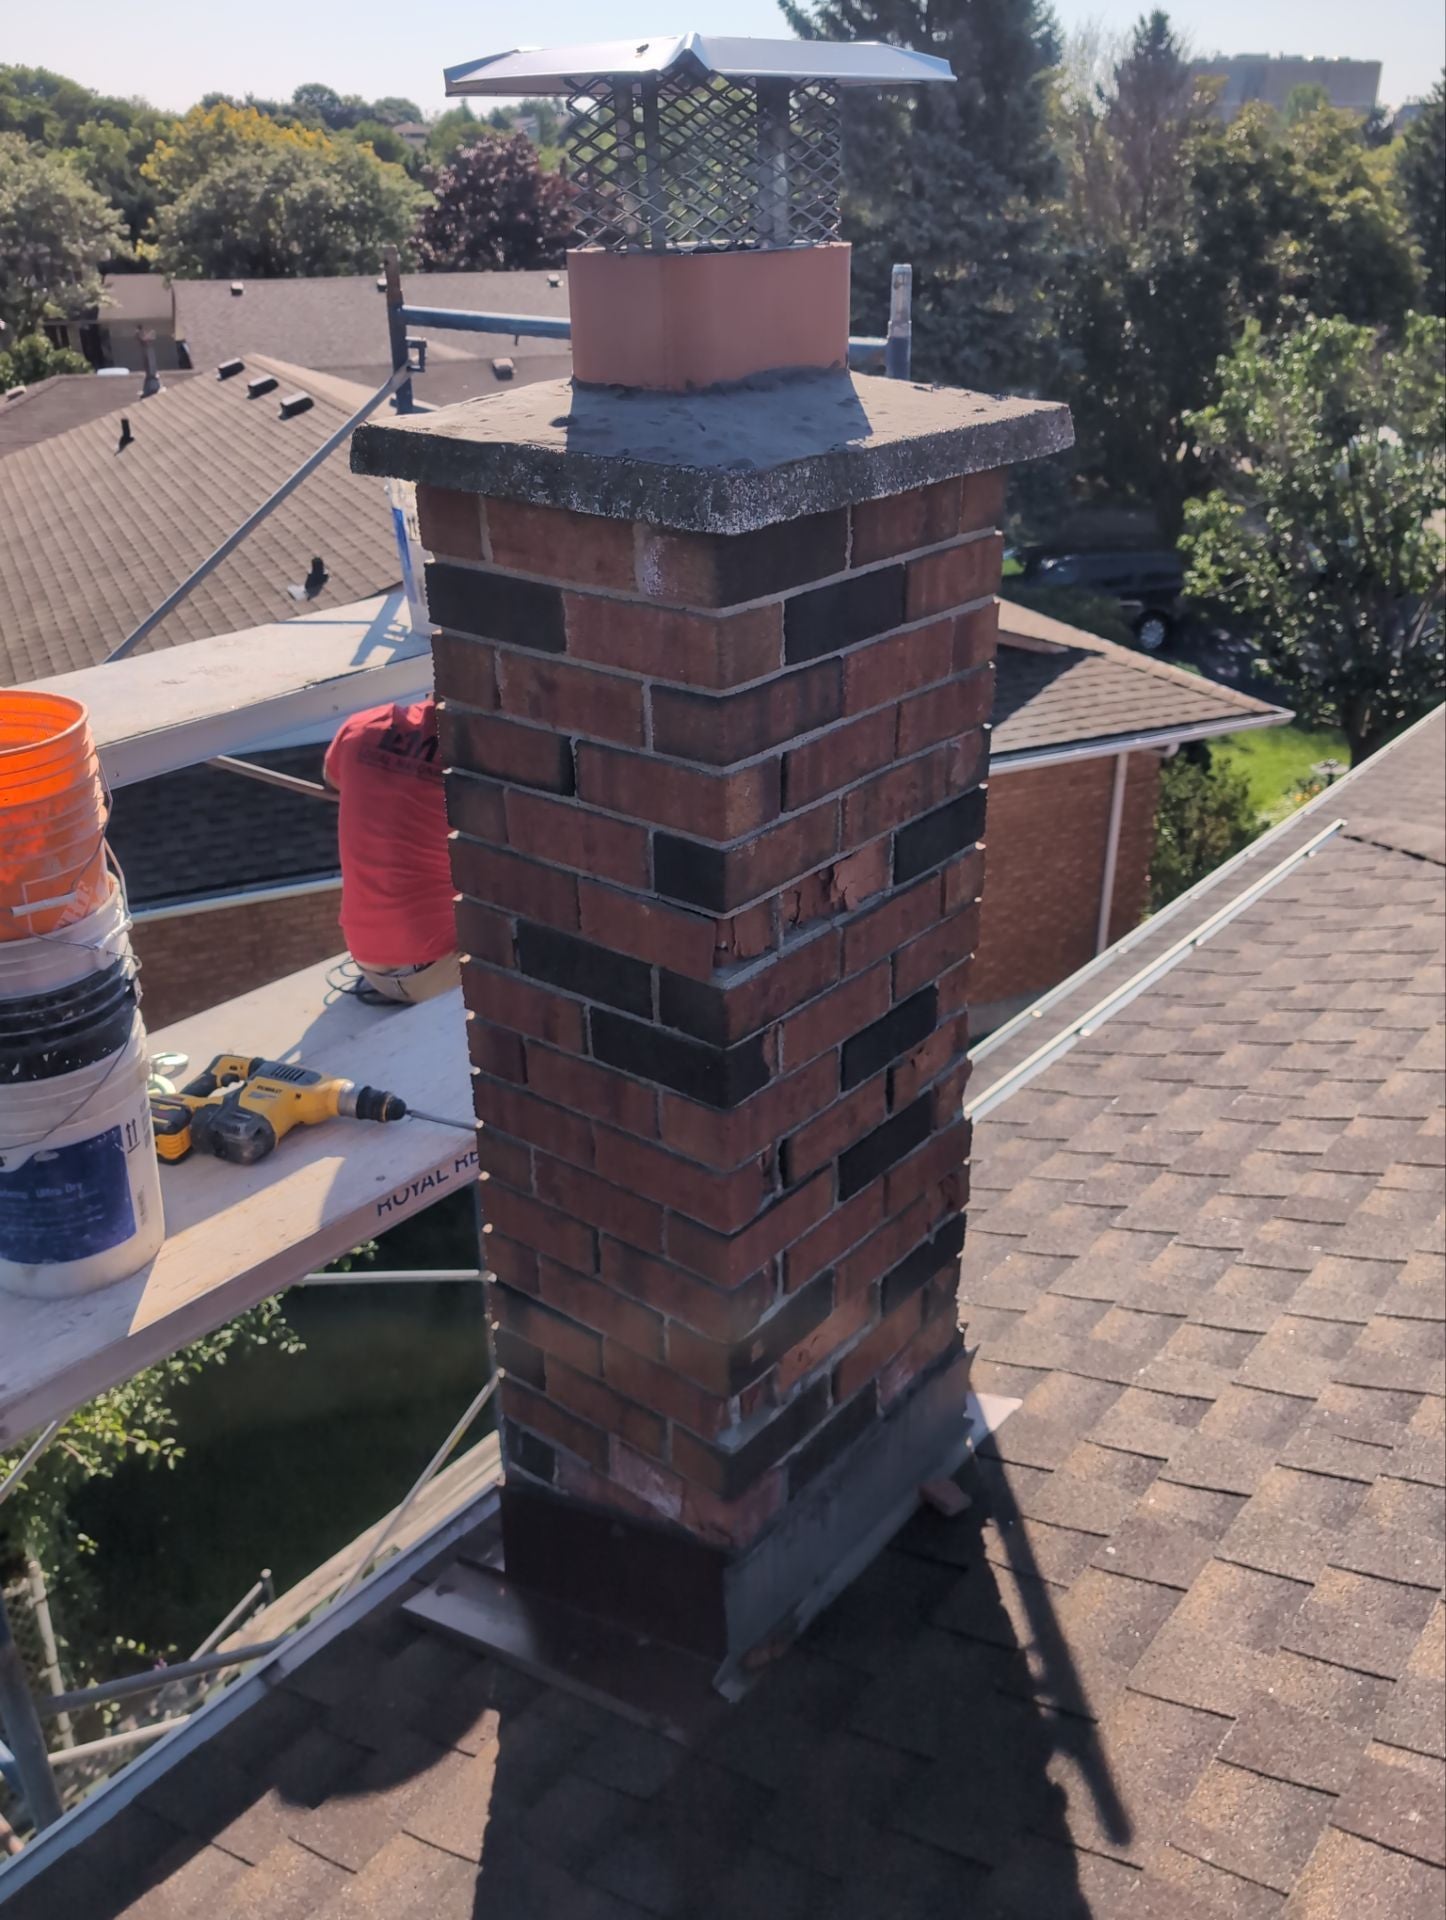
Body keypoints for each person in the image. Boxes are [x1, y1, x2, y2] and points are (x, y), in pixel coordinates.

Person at [323, 697, 459, 1004]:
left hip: (368, 961)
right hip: (441, 971)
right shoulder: (484, 756)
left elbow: (332, 777)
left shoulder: (362, 725)